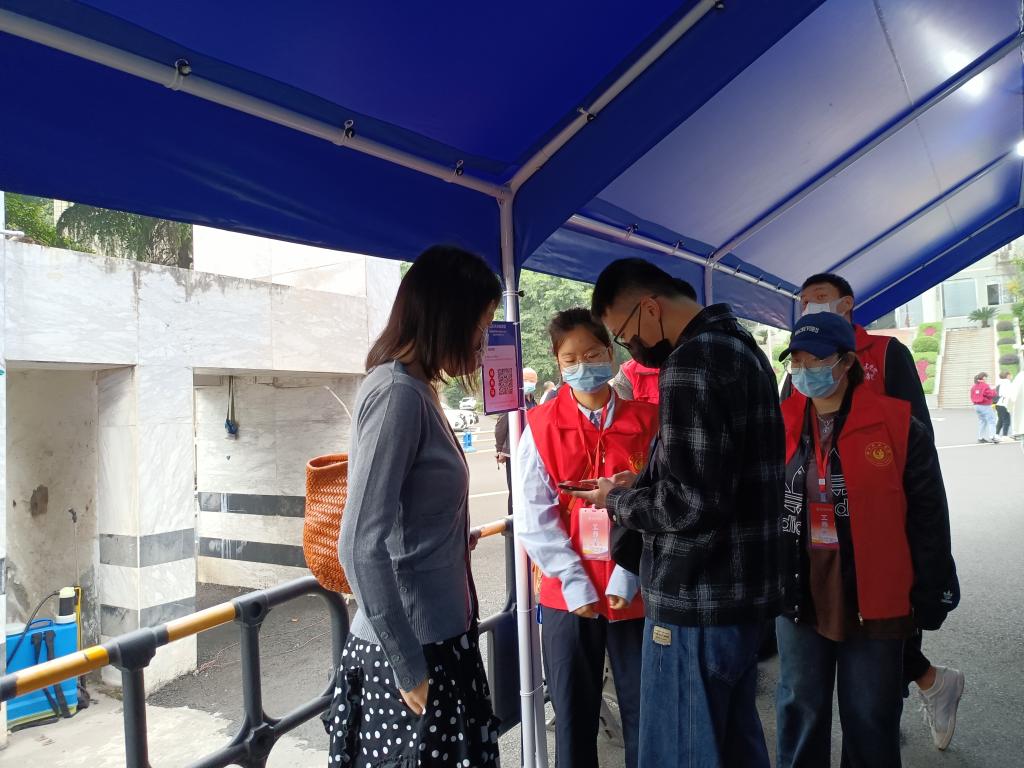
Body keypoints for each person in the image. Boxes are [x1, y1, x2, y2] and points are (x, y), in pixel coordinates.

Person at [575, 258, 784, 767]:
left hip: (697, 596)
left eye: (625, 335)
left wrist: (615, 500)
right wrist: (646, 482)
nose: (632, 348)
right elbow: (719, 476)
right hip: (742, 593)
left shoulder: (691, 362)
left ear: (650, 308)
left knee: (681, 750)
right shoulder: (743, 347)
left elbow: (691, 503)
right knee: (735, 744)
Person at [329, 245, 502, 767]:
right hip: (414, 652)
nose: (483, 343)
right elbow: (359, 544)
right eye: (480, 326)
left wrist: (449, 533)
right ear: (447, 316)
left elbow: (411, 511)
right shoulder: (397, 394)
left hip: (439, 639)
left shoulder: (417, 388)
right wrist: (407, 667)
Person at [775, 313, 959, 767]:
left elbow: (929, 515)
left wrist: (933, 588)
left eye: (816, 360)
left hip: (876, 595)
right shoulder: (779, 424)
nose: (804, 370)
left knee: (870, 716)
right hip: (800, 589)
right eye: (796, 361)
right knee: (799, 706)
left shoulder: (896, 425)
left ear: (847, 362)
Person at [514, 308, 657, 768]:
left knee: (646, 713)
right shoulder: (540, 426)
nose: (582, 365)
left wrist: (629, 572)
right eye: (570, 359)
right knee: (574, 716)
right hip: (566, 594)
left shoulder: (650, 422)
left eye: (592, 354)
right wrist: (574, 581)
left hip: (636, 590)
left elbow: (662, 504)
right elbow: (534, 515)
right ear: (558, 364)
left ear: (610, 353)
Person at [496, 369, 542, 515]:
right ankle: (512, 521)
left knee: (527, 487)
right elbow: (501, 425)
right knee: (515, 489)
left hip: (530, 452)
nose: (529, 383)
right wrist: (499, 449)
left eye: (532, 381)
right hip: (514, 452)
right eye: (526, 380)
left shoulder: (533, 401)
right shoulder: (513, 399)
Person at [970, 372, 998, 445]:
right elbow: (990, 394)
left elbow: (972, 396)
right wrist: (994, 390)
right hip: (985, 405)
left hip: (976, 406)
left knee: (982, 421)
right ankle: (992, 437)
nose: (986, 379)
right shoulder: (985, 385)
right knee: (991, 420)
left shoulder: (974, 386)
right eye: (986, 378)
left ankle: (981, 437)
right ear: (984, 378)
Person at [994, 371, 1013, 440]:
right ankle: (1005, 436)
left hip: (998, 404)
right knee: (1006, 420)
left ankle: (996, 434)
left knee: (1001, 420)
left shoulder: (999, 383)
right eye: (1010, 375)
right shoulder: (1007, 383)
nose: (1011, 376)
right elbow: (1010, 394)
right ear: (1007, 376)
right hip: (1004, 404)